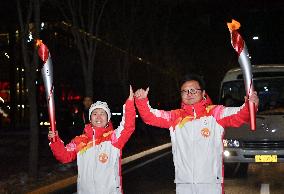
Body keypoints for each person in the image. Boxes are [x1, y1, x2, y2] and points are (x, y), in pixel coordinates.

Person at [134, 74, 259, 194]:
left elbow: (241, 114)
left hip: (210, 185)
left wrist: (250, 106)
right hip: (184, 184)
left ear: (203, 93)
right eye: (185, 91)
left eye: (193, 90)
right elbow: (150, 116)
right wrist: (141, 101)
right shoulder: (175, 117)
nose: (189, 94)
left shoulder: (216, 113)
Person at [48, 86, 136, 194]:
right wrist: (55, 141)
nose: (98, 117)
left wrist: (130, 103)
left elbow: (128, 126)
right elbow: (64, 156)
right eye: (95, 114)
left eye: (102, 114)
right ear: (90, 118)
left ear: (107, 118)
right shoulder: (80, 141)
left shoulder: (114, 138)